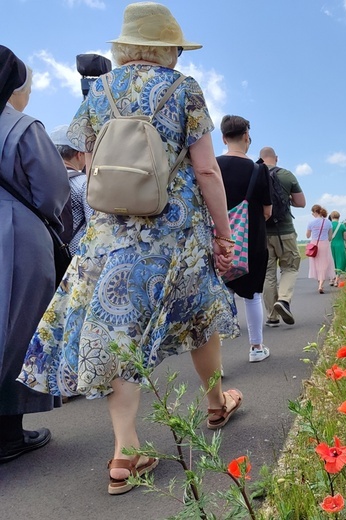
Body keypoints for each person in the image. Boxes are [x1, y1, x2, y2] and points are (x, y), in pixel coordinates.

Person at [17, 2, 243, 495]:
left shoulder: (99, 90)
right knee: (201, 315)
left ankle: (125, 452)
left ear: (126, 46)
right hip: (175, 233)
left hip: (112, 236)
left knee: (121, 331)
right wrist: (224, 234)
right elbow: (207, 169)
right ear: (167, 48)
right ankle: (215, 402)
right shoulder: (183, 89)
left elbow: (91, 161)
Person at [0, 46, 70, 464]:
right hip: (15, 235)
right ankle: (8, 434)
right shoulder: (22, 128)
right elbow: (52, 191)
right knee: (17, 328)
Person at [217, 116, 272, 363]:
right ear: (247, 136)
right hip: (251, 241)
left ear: (223, 138)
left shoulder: (212, 166)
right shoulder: (259, 170)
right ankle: (256, 347)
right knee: (252, 295)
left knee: (219, 296)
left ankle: (215, 361)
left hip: (218, 240)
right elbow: (267, 212)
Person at [259, 146, 306, 326]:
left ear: (261, 158)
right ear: (276, 158)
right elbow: (301, 203)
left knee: (268, 274)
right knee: (290, 267)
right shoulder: (287, 175)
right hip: (285, 230)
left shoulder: (255, 174)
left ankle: (272, 317)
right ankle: (284, 300)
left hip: (263, 234)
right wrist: (287, 199)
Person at [49, 124, 94, 255]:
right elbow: (94, 224)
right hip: (72, 257)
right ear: (80, 154)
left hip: (44, 255)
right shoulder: (84, 183)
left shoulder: (39, 182)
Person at [306, 205, 336, 294]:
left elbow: (307, 235)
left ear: (315, 212)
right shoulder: (328, 222)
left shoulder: (311, 223)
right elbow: (330, 237)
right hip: (325, 244)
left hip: (314, 244)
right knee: (324, 264)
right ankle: (321, 285)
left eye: (312, 213)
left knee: (316, 264)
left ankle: (319, 284)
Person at [329, 210, 346, 285]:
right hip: (340, 245)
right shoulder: (342, 225)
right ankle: (336, 280)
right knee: (340, 262)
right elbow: (345, 237)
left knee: (332, 262)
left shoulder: (329, 225)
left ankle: (331, 279)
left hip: (331, 245)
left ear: (331, 217)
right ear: (339, 217)